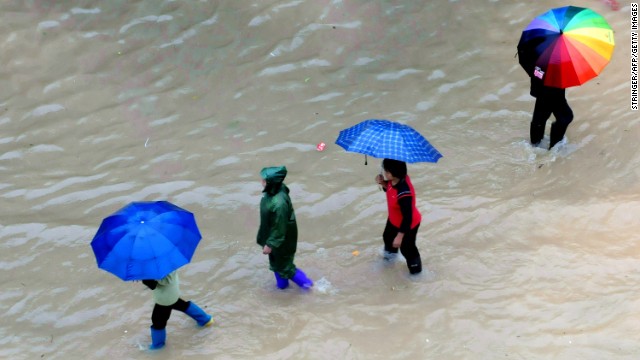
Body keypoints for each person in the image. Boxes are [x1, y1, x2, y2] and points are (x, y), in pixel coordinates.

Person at [257, 166, 313, 290]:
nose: (261, 182)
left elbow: (279, 227)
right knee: (278, 264)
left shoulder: (279, 204)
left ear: (271, 183)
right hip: (278, 236)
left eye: (264, 181)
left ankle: (309, 286)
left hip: (281, 239)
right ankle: (282, 289)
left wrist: (270, 244)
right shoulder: (276, 189)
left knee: (286, 267)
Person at [141, 271, 213, 350]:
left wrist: (147, 279)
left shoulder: (160, 270)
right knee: (181, 305)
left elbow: (159, 283)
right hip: (172, 292)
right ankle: (205, 319)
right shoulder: (168, 262)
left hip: (164, 300)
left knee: (157, 321)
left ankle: (158, 346)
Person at [374, 158, 422, 274]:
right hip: (393, 220)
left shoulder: (404, 193)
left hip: (408, 224)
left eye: (387, 171)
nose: (385, 172)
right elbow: (390, 190)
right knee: (388, 238)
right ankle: (389, 263)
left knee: (407, 249)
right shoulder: (394, 180)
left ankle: (416, 273)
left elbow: (408, 217)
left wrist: (400, 236)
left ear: (395, 172)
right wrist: (383, 183)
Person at [529, 73, 574, 150]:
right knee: (566, 116)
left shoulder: (537, 63)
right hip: (553, 87)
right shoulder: (556, 65)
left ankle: (535, 143)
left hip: (541, 84)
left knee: (541, 114)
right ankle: (554, 147)